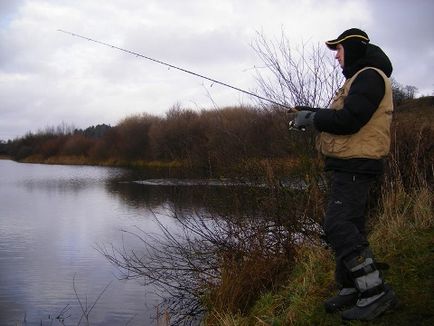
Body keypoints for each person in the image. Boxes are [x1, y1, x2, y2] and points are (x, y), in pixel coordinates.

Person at [291, 28, 398, 321]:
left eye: (338, 50)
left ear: (352, 48)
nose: (337, 56)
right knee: (351, 224)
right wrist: (310, 114)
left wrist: (314, 119)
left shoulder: (369, 76)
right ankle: (353, 288)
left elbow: (350, 120)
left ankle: (375, 291)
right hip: (349, 163)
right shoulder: (359, 79)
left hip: (356, 164)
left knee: (338, 225)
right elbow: (345, 115)